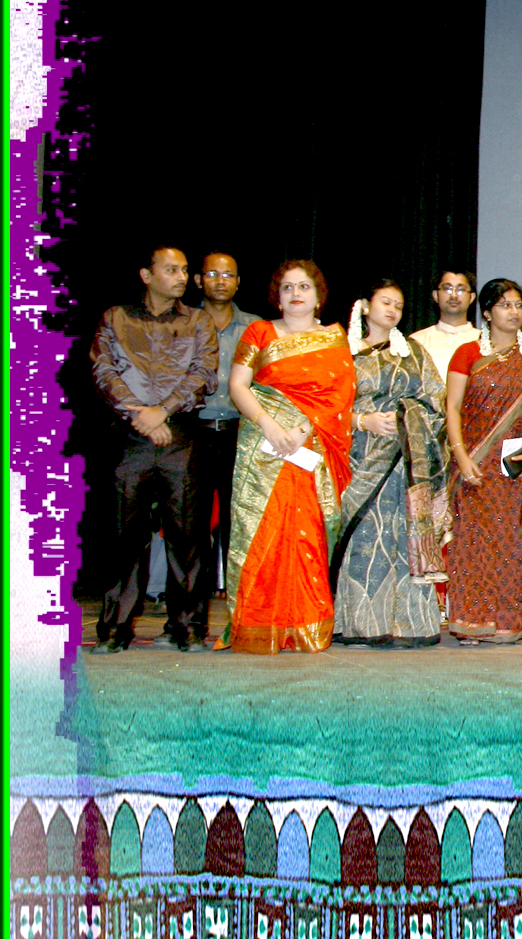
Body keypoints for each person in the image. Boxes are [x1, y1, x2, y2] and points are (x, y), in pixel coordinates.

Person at [88, 245, 220, 652]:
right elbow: (103, 369)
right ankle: (114, 630)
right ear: (147, 275)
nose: (181, 277)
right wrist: (139, 414)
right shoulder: (116, 317)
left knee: (188, 537)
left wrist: (161, 412)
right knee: (123, 538)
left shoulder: (198, 320)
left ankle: (188, 628)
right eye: (171, 270)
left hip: (180, 435)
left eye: (184, 270)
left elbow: (204, 373)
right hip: (130, 437)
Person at [221, 259, 355, 654]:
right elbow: (238, 385)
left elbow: (341, 395)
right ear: (277, 298)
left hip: (312, 450)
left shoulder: (334, 337)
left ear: (318, 297)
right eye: (287, 287)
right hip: (265, 451)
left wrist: (302, 430)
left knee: (307, 536)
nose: (296, 294)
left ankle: (306, 625)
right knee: (264, 534)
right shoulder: (259, 332)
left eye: (304, 287)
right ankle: (258, 625)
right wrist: (269, 425)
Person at [333, 278, 448, 649]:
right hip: (359, 460)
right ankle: (361, 622)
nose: (392, 310)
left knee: (402, 537)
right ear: (365, 306)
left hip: (406, 463)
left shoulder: (412, 352)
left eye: (398, 305)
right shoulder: (342, 351)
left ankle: (408, 624)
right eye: (385, 302)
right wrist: (362, 420)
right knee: (366, 537)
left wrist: (406, 415)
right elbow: (325, 405)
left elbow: (436, 401)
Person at [443, 278, 522, 645]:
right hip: (475, 463)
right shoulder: (467, 353)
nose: (514, 311)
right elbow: (453, 407)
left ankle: (508, 623)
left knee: (514, 546)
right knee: (472, 544)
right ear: (488, 312)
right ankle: (471, 622)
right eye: (505, 305)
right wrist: (461, 455)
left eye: (519, 305)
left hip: (517, 466)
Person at [192, 251, 258, 595]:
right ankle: (193, 596)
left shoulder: (255, 328)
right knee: (191, 519)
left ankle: (239, 595)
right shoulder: (184, 321)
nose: (221, 281)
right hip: (194, 432)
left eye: (228, 275)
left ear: (238, 282)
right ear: (198, 280)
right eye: (213, 274)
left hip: (240, 433)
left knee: (240, 519)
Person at [410, 270, 479, 376]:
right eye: (447, 289)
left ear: (472, 297)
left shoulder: (484, 341)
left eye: (461, 290)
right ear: (435, 295)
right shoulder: (417, 342)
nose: (454, 295)